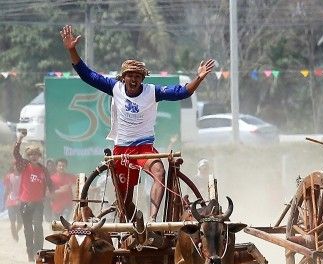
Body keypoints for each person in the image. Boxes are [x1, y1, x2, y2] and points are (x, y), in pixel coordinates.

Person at [60, 25, 215, 221]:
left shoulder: (152, 91)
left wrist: (198, 78)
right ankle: (136, 222)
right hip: (121, 151)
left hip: (144, 149)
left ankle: (151, 221)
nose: (133, 80)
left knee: (159, 170)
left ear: (142, 79)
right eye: (130, 76)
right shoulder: (114, 87)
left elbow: (182, 92)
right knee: (125, 201)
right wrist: (71, 49)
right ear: (123, 78)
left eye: (137, 77)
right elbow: (86, 75)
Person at [13, 134, 53, 262]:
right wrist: (19, 141)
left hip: (38, 204)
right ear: (28, 157)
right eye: (31, 155)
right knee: (28, 229)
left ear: (39, 156)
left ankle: (38, 252)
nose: (33, 156)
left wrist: (51, 193)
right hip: (25, 203)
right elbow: (16, 155)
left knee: (38, 227)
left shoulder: (43, 169)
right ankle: (30, 252)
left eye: (36, 154)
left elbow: (50, 183)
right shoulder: (24, 166)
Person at [3, 160, 23, 242]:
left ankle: (16, 232)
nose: (17, 167)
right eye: (16, 165)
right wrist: (4, 200)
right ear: (13, 166)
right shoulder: (8, 177)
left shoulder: (23, 176)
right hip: (10, 200)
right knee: (12, 221)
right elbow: (6, 190)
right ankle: (14, 234)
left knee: (20, 222)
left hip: (21, 201)